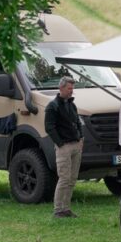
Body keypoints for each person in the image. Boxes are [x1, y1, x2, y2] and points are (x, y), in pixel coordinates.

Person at [44, 76, 84, 218]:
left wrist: (81, 138)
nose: (71, 91)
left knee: (72, 179)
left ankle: (66, 208)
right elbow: (49, 127)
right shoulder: (53, 106)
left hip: (76, 144)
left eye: (72, 88)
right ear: (61, 88)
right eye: (69, 88)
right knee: (64, 178)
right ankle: (58, 209)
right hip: (64, 147)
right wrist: (60, 143)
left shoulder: (72, 105)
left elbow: (78, 122)